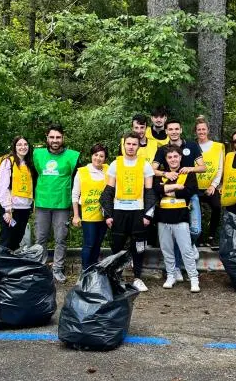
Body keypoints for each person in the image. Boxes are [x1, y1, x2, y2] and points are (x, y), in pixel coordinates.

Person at [100, 132, 156, 292]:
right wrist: (108, 215)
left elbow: (150, 192)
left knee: (139, 246)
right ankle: (116, 277)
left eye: (134, 144)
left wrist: (147, 214)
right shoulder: (115, 164)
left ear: (138, 146)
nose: (131, 147)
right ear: (123, 145)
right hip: (119, 212)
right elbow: (108, 191)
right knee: (117, 246)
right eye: (128, 144)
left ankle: (138, 277)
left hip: (138, 212)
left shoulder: (145, 164)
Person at [33, 124, 80, 283]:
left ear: (63, 138)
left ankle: (57, 269)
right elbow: (32, 176)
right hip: (42, 203)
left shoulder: (73, 156)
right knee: (40, 238)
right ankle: (40, 269)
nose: (55, 140)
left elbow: (77, 181)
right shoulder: (37, 154)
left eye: (58, 137)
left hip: (62, 204)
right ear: (47, 138)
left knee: (61, 238)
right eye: (52, 137)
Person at [153, 145, 200, 292]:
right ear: (166, 159)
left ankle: (194, 278)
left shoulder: (188, 174)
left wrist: (169, 191)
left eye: (175, 156)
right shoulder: (161, 175)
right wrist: (177, 187)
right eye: (169, 157)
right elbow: (156, 189)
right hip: (163, 218)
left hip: (181, 218)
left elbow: (190, 191)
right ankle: (171, 275)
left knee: (186, 250)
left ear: (180, 157)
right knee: (167, 250)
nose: (173, 159)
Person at [153, 119, 206, 245]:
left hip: (189, 192)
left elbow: (203, 167)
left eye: (176, 129)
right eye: (170, 129)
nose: (174, 132)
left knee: (195, 230)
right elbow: (152, 170)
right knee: (172, 232)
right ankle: (181, 255)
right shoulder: (162, 149)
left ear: (181, 130)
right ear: (166, 131)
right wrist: (165, 173)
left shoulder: (192, 146)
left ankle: (190, 246)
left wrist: (190, 168)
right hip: (169, 194)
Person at [72, 143, 109, 271]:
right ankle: (85, 270)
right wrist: (76, 215)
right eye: (96, 155)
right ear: (91, 155)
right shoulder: (82, 172)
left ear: (105, 158)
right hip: (88, 214)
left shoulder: (108, 171)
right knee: (89, 244)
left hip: (103, 214)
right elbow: (75, 195)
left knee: (98, 243)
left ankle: (93, 269)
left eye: (101, 156)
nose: (98, 158)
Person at [0, 136, 36, 251]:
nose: (23, 147)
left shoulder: (30, 164)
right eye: (19, 145)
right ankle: (2, 266)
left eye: (25, 144)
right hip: (11, 209)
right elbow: (3, 186)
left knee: (17, 239)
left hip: (24, 208)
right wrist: (7, 209)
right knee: (6, 240)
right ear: (14, 147)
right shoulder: (8, 162)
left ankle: (13, 266)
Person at [194, 116, 224, 247]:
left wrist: (213, 185)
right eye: (199, 130)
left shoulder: (218, 147)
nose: (201, 132)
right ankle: (198, 237)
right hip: (195, 187)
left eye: (203, 129)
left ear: (208, 130)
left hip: (211, 186)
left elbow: (220, 168)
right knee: (195, 210)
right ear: (195, 132)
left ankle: (211, 236)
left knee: (217, 207)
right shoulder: (191, 146)